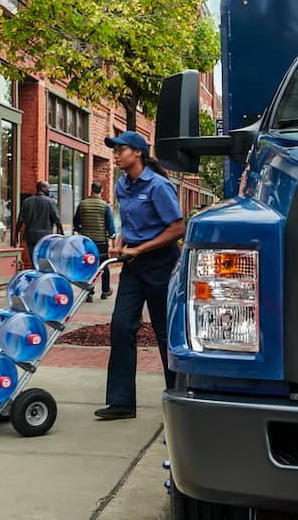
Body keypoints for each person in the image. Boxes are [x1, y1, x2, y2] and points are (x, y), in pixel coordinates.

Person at [95, 131, 185, 420]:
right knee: (121, 326)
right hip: (134, 265)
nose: (116, 155)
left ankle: (179, 405)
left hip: (161, 263)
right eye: (115, 150)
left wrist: (140, 248)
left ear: (138, 153)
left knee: (165, 334)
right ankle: (121, 402)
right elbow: (130, 223)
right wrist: (120, 242)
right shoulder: (123, 185)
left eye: (121, 150)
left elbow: (176, 229)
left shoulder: (159, 186)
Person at [73, 181, 116, 302]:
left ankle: (89, 293)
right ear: (101, 191)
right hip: (101, 241)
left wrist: (79, 230)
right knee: (104, 265)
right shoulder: (104, 205)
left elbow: (76, 222)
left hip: (86, 242)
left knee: (88, 266)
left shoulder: (82, 204)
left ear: (91, 190)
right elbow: (110, 225)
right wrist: (112, 236)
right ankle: (105, 290)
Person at [15, 180, 63, 261]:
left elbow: (20, 220)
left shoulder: (27, 201)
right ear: (42, 188)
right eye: (48, 188)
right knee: (43, 257)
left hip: (30, 235)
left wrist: (16, 235)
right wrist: (62, 233)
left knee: (33, 257)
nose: (49, 190)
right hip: (45, 235)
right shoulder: (50, 202)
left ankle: (36, 270)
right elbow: (57, 220)